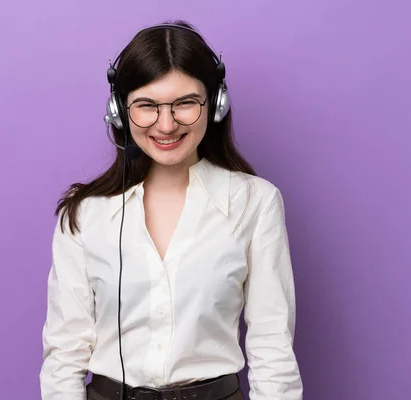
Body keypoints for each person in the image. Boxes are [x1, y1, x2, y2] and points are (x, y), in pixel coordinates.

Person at [40, 20, 303, 400]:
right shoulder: (85, 214)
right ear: (119, 110)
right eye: (146, 106)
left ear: (214, 104)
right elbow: (64, 354)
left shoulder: (256, 203)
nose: (166, 125)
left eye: (185, 104)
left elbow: (272, 349)